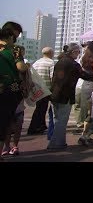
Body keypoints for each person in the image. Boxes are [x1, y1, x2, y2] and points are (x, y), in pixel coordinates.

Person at [47, 43, 93, 150]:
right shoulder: (73, 65)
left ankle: (55, 143)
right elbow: (87, 76)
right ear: (73, 52)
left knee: (56, 120)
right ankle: (57, 144)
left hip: (54, 94)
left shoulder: (60, 61)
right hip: (65, 96)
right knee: (61, 121)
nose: (78, 54)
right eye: (78, 52)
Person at [0, 27, 27, 161]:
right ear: (11, 36)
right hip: (8, 90)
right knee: (5, 122)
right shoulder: (14, 50)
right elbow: (21, 67)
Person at [28, 46, 55, 136]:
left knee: (40, 108)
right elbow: (52, 77)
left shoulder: (37, 62)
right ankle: (34, 127)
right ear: (51, 53)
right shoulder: (51, 63)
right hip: (46, 89)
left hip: (37, 89)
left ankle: (41, 125)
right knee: (41, 109)